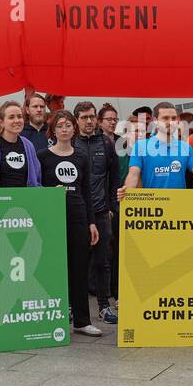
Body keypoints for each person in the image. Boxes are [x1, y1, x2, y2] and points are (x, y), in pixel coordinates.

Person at [42, 110, 102, 337]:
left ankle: (82, 320)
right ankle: (53, 316)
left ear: (73, 129)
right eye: (60, 125)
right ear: (53, 130)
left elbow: (86, 192)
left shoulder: (81, 158)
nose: (64, 129)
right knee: (53, 270)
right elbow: (35, 188)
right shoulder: (43, 157)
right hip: (52, 220)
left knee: (79, 269)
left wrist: (91, 223)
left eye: (68, 125)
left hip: (78, 217)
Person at [122, 102, 193, 195]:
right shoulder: (141, 146)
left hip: (179, 208)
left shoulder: (185, 147)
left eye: (173, 118)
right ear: (155, 121)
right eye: (165, 118)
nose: (170, 122)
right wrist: (127, 194)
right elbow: (133, 175)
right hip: (153, 209)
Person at [75, 101, 120, 324]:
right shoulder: (71, 143)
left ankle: (104, 305)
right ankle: (74, 306)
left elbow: (113, 178)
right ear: (77, 120)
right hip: (77, 213)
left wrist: (111, 206)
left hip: (102, 211)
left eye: (92, 116)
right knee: (77, 261)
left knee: (104, 261)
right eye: (84, 117)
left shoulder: (107, 143)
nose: (90, 121)